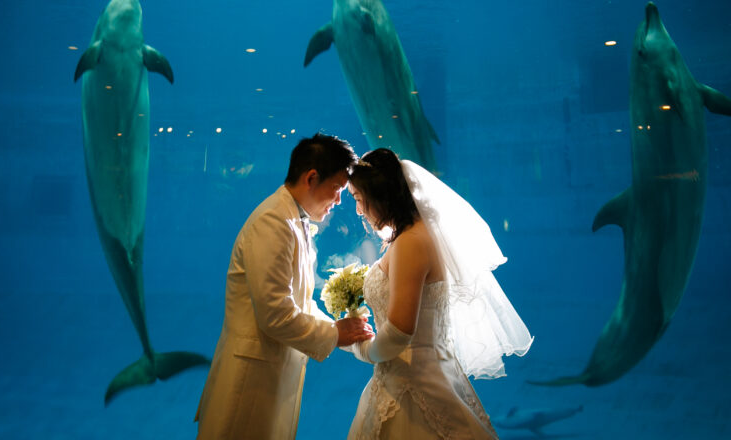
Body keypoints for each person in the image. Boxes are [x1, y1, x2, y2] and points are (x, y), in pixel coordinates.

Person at [194, 133, 374, 440]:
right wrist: (334, 333)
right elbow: (275, 314)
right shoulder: (273, 222)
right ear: (311, 177)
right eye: (338, 189)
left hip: (270, 376)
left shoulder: (295, 220)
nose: (339, 201)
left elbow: (300, 304)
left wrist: (340, 331)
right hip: (249, 382)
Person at [345, 148, 533, 439]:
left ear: (378, 193)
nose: (358, 210)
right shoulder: (414, 236)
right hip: (418, 375)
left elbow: (398, 333)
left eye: (358, 199)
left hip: (413, 387)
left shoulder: (410, 242)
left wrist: (359, 347)